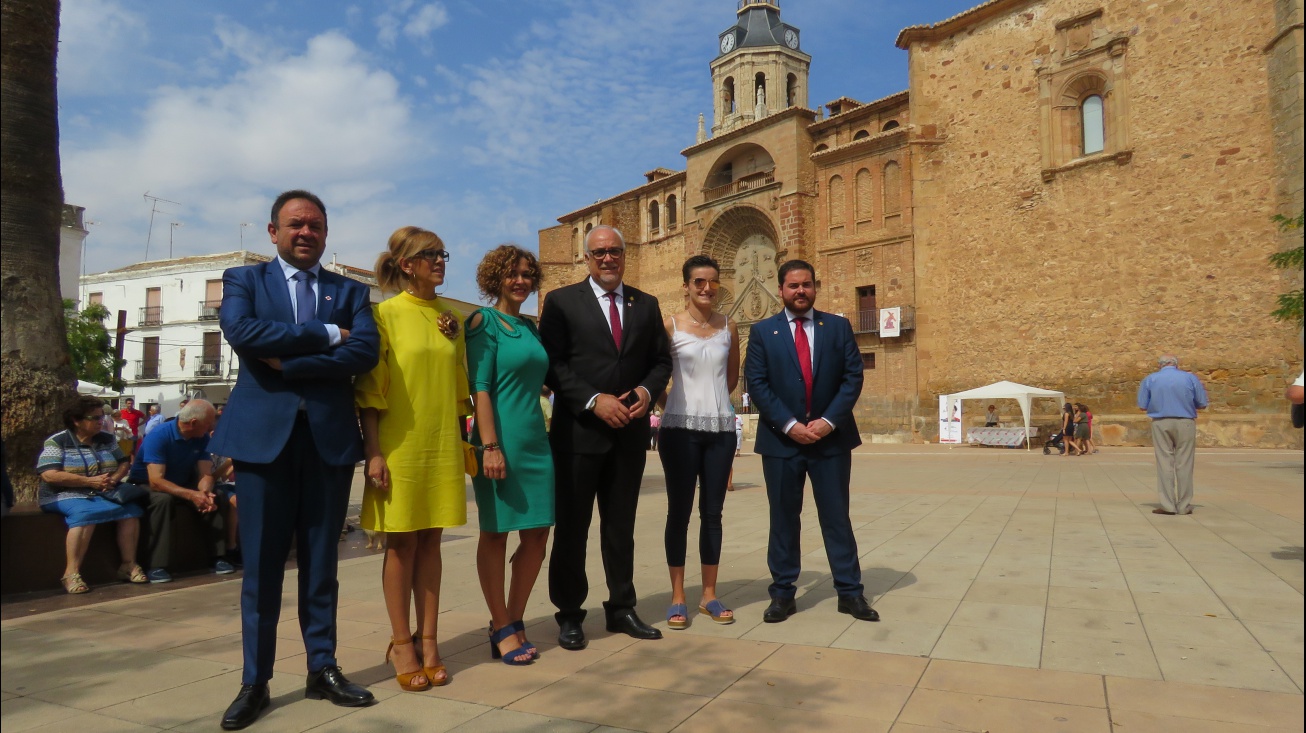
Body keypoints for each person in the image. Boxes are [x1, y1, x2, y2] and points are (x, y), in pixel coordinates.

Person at [210, 190, 380, 730]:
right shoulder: (245, 281)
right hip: (263, 442)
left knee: (321, 564)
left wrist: (285, 361)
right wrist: (327, 335)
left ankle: (322, 667)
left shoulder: (350, 290)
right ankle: (255, 681)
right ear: (273, 231)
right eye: (296, 224)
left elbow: (366, 352)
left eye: (316, 226)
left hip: (327, 440)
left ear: (326, 234)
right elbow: (242, 332)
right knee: (260, 568)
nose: (306, 233)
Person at [539, 224, 672, 650]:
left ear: (624, 254)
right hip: (578, 435)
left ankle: (621, 608)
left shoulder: (645, 304)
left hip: (629, 435)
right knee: (573, 529)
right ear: (586, 258)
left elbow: (660, 361)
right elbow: (553, 365)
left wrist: (646, 393)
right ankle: (570, 614)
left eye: (615, 251)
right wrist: (594, 400)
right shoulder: (561, 303)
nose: (608, 259)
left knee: (620, 527)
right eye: (599, 253)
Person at [358, 226, 470, 687]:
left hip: (441, 441)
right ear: (406, 264)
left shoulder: (451, 317)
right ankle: (401, 642)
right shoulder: (384, 315)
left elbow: (459, 389)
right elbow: (368, 391)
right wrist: (374, 453)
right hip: (399, 444)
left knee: (431, 542)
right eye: (430, 255)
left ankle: (430, 641)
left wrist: (467, 444)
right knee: (401, 543)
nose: (440, 261)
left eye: (443, 253)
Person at [744, 259, 879, 623]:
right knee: (784, 518)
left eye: (806, 285)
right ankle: (783, 594)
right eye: (793, 285)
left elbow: (852, 377)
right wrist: (789, 425)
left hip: (830, 442)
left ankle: (850, 592)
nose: (800, 291)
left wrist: (828, 422)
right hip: (781, 443)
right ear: (782, 289)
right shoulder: (763, 332)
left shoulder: (837, 327)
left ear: (815, 287)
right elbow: (757, 384)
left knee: (836, 517)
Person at [466, 244, 554, 665]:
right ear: (494, 279)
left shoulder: (533, 329)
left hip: (536, 442)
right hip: (500, 442)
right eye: (511, 274)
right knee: (496, 533)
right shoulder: (484, 322)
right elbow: (479, 387)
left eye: (526, 274)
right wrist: (490, 446)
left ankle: (514, 619)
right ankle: (500, 623)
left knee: (538, 533)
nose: (520, 281)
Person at [658, 255, 740, 630]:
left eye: (713, 282)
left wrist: (714, 405)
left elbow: (732, 378)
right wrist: (674, 406)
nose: (707, 288)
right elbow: (659, 378)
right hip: (679, 430)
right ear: (686, 286)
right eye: (699, 282)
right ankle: (678, 596)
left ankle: (709, 594)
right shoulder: (670, 326)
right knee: (679, 512)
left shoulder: (729, 327)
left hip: (720, 430)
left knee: (713, 512)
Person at [36, 395, 146, 593]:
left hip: (101, 492)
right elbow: (49, 475)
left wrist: (114, 478)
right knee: (85, 514)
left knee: (131, 511)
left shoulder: (106, 438)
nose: (101, 422)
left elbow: (123, 462)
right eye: (94, 418)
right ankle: (71, 573)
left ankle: (128, 565)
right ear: (77, 420)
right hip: (63, 494)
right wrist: (88, 481)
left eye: (101, 417)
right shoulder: (57, 442)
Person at [130, 399, 233, 582]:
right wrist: (191, 495)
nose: (211, 427)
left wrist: (203, 493)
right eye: (208, 423)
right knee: (162, 501)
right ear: (194, 423)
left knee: (216, 497)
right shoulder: (159, 436)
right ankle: (156, 564)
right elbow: (156, 481)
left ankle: (217, 556)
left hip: (182, 482)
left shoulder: (202, 438)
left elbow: (204, 473)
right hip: (147, 484)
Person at [1137, 354, 1208, 515]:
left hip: (1161, 422)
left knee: (1164, 462)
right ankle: (1184, 505)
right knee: (1185, 463)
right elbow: (1202, 403)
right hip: (1185, 421)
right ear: (1176, 364)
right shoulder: (1190, 379)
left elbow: (1142, 405)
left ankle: (1168, 505)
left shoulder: (1150, 379)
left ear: (1160, 365)